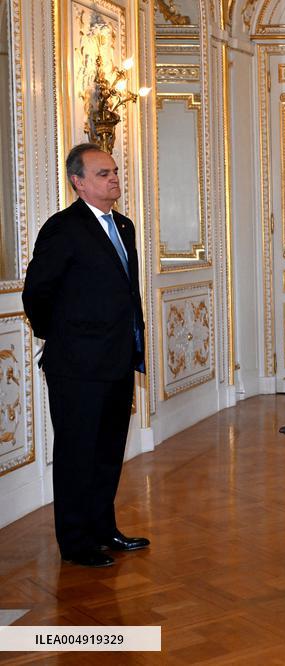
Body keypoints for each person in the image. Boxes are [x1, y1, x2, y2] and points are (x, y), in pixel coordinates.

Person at [22, 143, 148, 568]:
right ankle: (75, 543)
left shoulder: (125, 226)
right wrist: (62, 337)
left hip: (117, 360)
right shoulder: (63, 228)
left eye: (114, 171)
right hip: (77, 365)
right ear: (78, 182)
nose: (113, 178)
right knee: (78, 453)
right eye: (102, 173)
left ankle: (102, 528)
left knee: (109, 451)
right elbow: (37, 292)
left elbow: (127, 293)